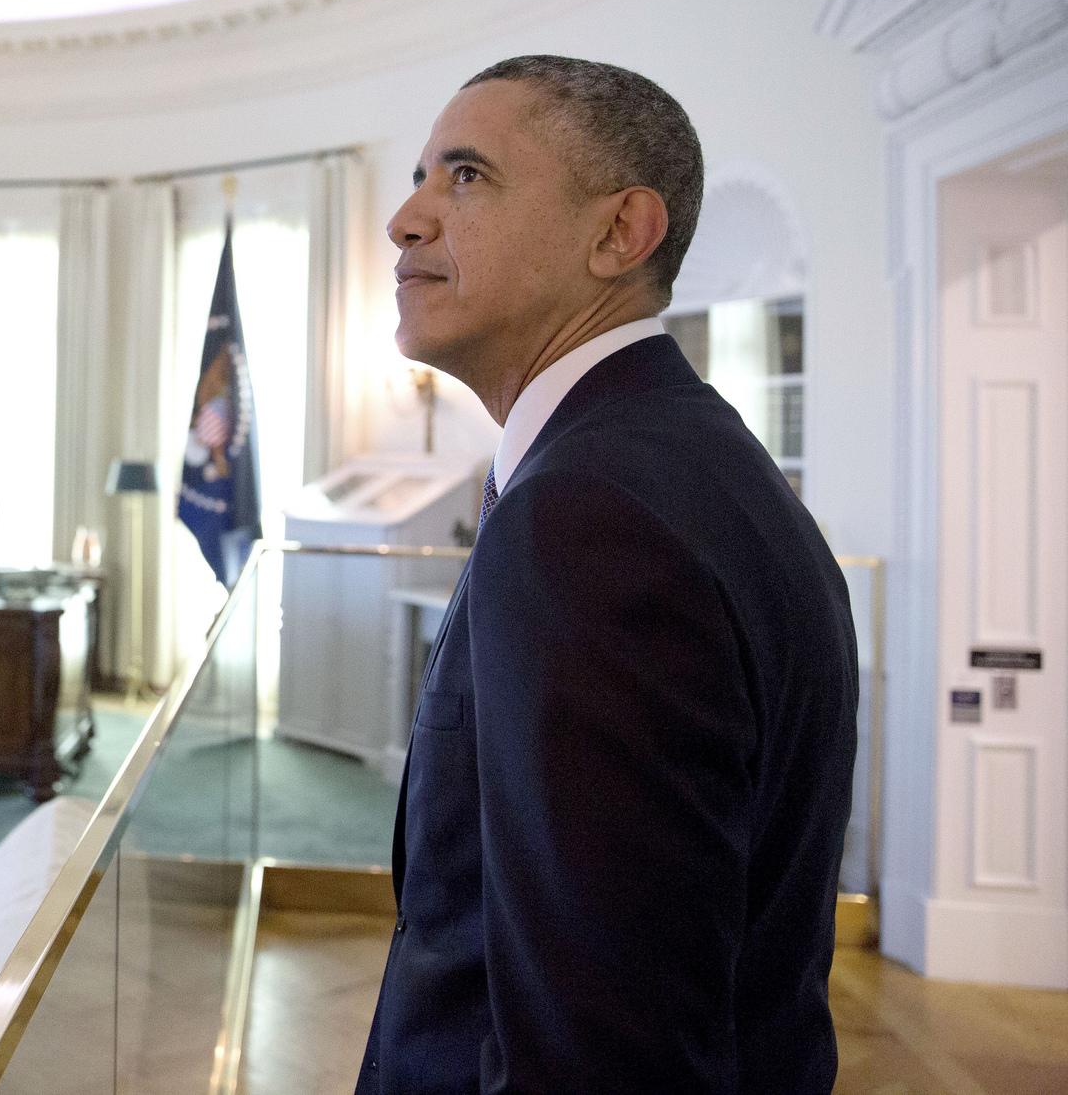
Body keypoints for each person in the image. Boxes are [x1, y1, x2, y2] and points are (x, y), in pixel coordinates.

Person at [356, 55, 857, 1093]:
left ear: (617, 232)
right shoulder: (667, 460)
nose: (405, 218)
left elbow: (604, 1056)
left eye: (465, 177)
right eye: (417, 177)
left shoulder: (589, 519)